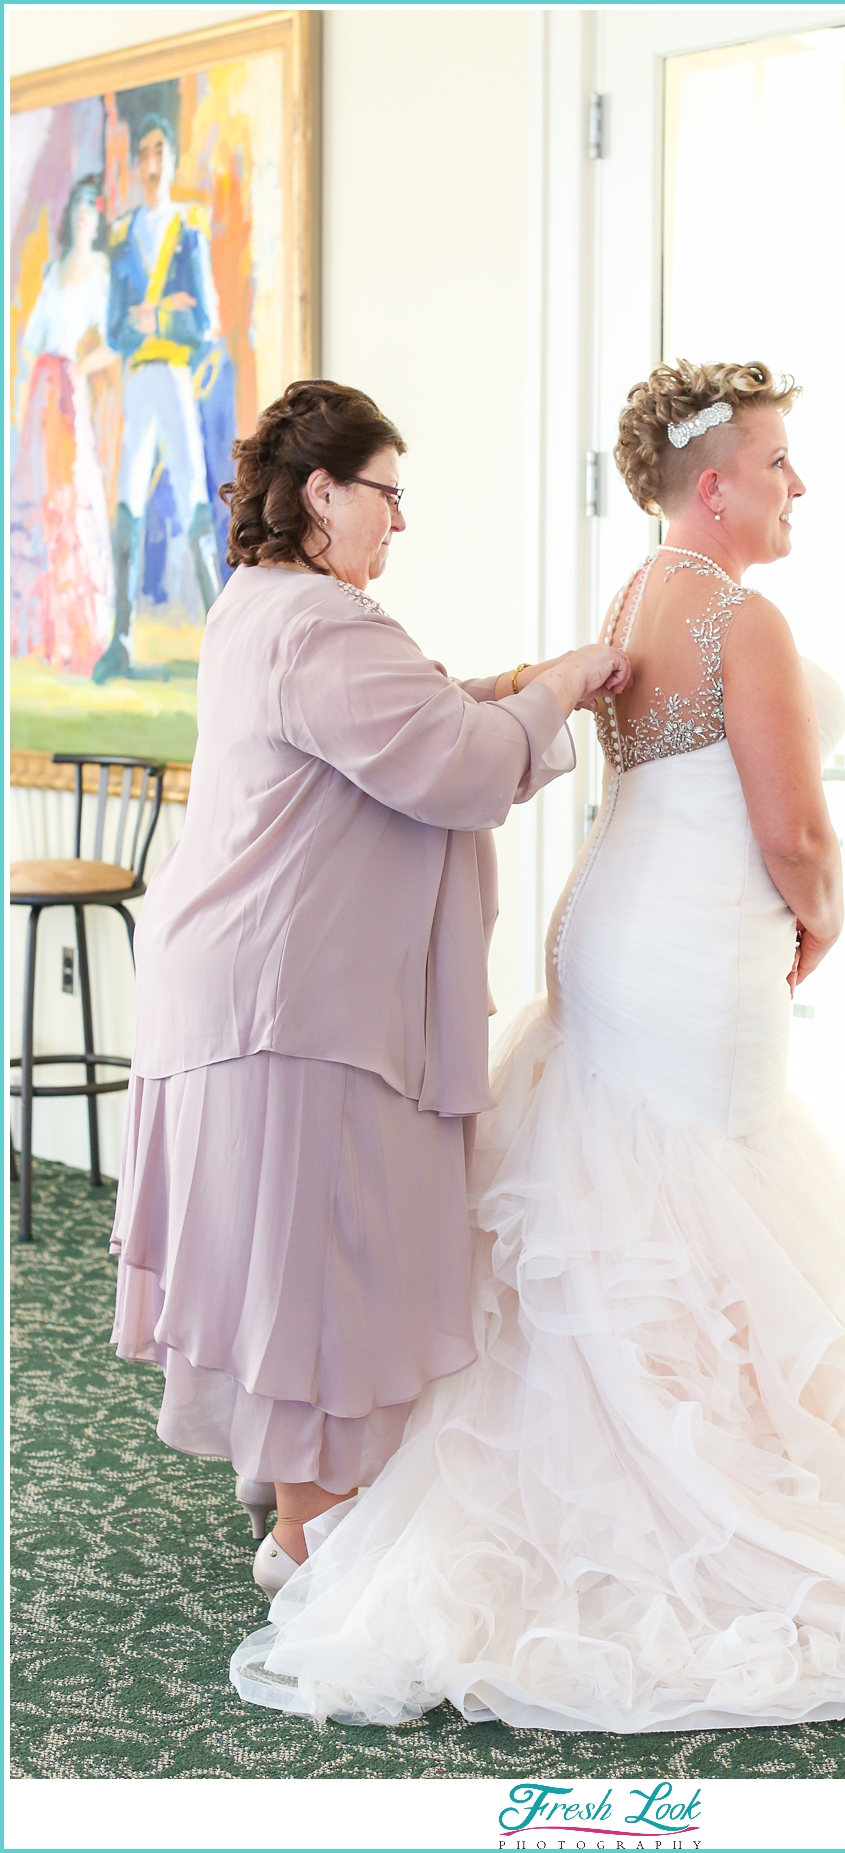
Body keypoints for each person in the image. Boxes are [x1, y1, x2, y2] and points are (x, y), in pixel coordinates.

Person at [231, 361, 845, 1731]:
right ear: (716, 483)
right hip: (690, 956)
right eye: (780, 460)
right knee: (697, 1209)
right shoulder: (741, 613)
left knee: (615, 1200)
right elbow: (795, 828)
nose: (797, 483)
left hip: (619, 933)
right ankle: (704, 1490)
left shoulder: (638, 594)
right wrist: (825, 914)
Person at [108, 378, 630, 1593]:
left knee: (283, 1252)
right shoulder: (322, 627)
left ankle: (290, 1484)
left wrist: (516, 684)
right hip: (296, 1002)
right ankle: (311, 1541)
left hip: (255, 984)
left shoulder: (266, 604)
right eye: (388, 494)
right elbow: (449, 762)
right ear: (322, 493)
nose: (402, 521)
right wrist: (563, 684)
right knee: (319, 1262)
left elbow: (419, 714)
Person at [93, 113, 222, 683]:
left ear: (170, 160)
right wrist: (140, 321)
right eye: (143, 152)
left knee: (194, 492)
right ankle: (120, 637)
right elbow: (115, 331)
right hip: (139, 379)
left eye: (159, 151)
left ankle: (223, 635)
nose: (151, 163)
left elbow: (205, 321)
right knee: (128, 498)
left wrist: (161, 316)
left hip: (172, 376)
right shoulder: (121, 239)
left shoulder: (187, 230)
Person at [11, 174, 117, 677]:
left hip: (72, 389)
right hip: (42, 392)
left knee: (73, 501)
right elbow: (32, 337)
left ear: (96, 220)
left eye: (89, 209)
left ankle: (77, 631)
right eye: (75, 207)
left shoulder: (101, 271)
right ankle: (37, 630)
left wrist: (81, 366)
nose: (81, 216)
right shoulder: (54, 270)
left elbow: (113, 341)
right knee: (38, 500)